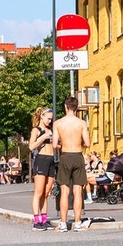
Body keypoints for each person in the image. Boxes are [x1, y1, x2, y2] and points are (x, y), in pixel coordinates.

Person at [52, 96, 92, 231]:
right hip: (78, 155)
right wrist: (78, 143)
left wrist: (63, 144)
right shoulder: (81, 123)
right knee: (78, 191)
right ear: (76, 107)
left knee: (64, 191)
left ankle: (63, 223)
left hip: (65, 156)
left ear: (65, 106)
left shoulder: (58, 123)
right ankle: (77, 223)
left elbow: (54, 144)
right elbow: (87, 143)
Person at [28, 107, 57, 229]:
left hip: (51, 160)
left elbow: (55, 145)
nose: (50, 121)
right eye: (48, 118)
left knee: (46, 192)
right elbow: (31, 146)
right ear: (42, 117)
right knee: (38, 192)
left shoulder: (50, 130)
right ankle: (36, 221)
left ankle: (44, 219)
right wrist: (43, 137)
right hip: (41, 160)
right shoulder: (36, 130)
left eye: (51, 119)